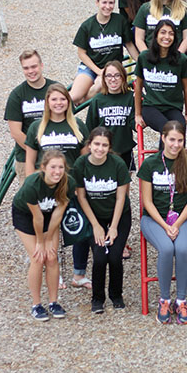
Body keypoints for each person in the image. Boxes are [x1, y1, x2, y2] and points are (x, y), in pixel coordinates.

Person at [25, 83, 90, 290]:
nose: (59, 103)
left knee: (78, 227)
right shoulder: (37, 127)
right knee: (51, 230)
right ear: (47, 102)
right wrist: (31, 186)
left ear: (68, 102)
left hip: (72, 186)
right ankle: (56, 273)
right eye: (54, 99)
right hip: (47, 189)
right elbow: (30, 162)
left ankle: (79, 274)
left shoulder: (77, 125)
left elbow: (84, 158)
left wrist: (83, 185)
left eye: (62, 99)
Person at [138, 121, 187, 325]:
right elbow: (146, 201)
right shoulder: (150, 163)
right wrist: (166, 227)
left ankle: (181, 300)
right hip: (154, 218)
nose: (175, 144)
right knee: (166, 249)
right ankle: (164, 299)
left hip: (182, 218)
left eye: (180, 140)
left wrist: (177, 224)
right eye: (171, 139)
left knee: (182, 249)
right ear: (163, 138)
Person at [74, 128, 132, 313]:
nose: (100, 149)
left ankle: (116, 295)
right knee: (99, 256)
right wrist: (96, 226)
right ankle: (97, 298)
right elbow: (81, 197)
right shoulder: (81, 164)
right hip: (94, 215)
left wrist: (113, 227)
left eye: (104, 145)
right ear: (89, 144)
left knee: (115, 256)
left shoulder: (117, 164)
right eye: (96, 144)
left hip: (118, 214)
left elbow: (121, 197)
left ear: (110, 147)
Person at [12, 149, 73, 320]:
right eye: (53, 167)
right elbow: (37, 217)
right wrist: (41, 241)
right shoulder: (32, 184)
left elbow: (58, 213)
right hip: (26, 215)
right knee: (38, 257)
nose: (57, 171)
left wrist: (48, 238)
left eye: (60, 167)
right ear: (44, 167)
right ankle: (36, 304)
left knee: (52, 256)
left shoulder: (68, 183)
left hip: (50, 216)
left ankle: (54, 302)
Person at [70, 0, 138, 105]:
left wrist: (141, 60)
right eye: (104, 2)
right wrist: (98, 71)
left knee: (99, 85)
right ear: (97, 3)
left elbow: (129, 44)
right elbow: (81, 53)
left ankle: (81, 103)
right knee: (73, 96)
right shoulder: (87, 25)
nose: (108, 6)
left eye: (111, 3)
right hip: (91, 66)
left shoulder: (120, 21)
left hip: (112, 68)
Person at [4, 49, 58, 185]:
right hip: (27, 157)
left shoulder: (56, 89)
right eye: (26, 68)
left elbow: (68, 121)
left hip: (56, 154)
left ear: (41, 65)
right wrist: (38, 152)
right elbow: (16, 133)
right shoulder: (17, 95)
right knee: (31, 200)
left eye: (33, 66)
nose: (30, 71)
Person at [135, 20, 187, 137]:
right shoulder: (144, 57)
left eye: (171, 33)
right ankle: (163, 156)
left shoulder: (181, 59)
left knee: (179, 128)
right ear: (156, 35)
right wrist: (138, 114)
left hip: (173, 107)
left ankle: (175, 155)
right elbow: (138, 86)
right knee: (167, 128)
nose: (167, 37)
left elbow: (186, 88)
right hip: (151, 107)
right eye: (163, 32)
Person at [85, 61, 136, 170]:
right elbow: (90, 128)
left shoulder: (131, 97)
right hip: (102, 150)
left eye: (117, 75)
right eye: (109, 75)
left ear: (123, 77)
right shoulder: (98, 100)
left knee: (124, 183)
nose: (113, 79)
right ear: (104, 78)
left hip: (124, 148)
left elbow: (136, 122)